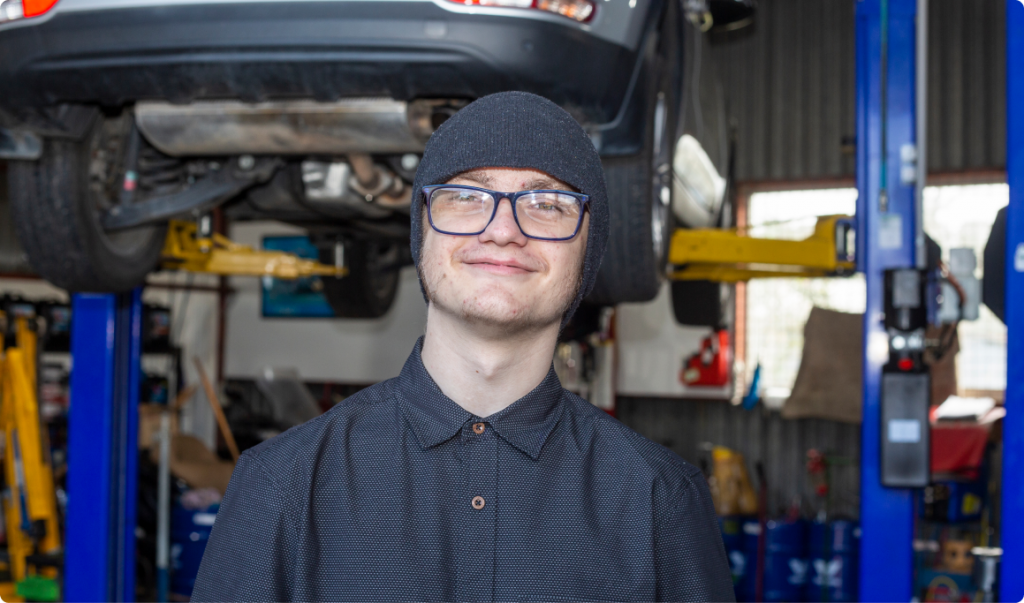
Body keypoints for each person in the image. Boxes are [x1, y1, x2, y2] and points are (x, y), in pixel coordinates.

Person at [191, 91, 734, 603]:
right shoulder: (281, 484)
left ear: (588, 251)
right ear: (422, 230)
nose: (503, 230)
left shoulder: (662, 500)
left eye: (547, 203)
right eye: (467, 196)